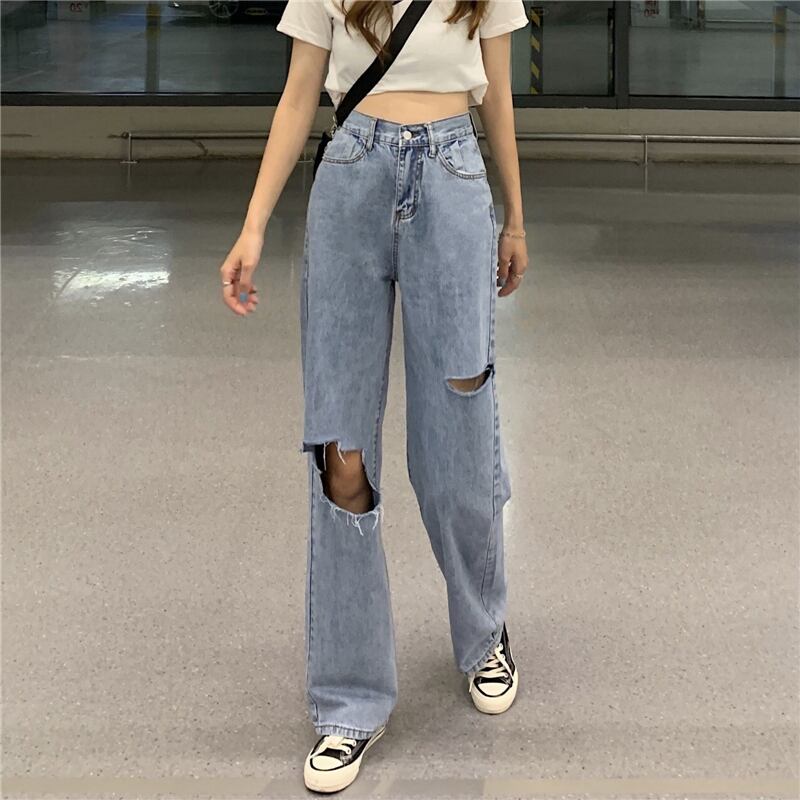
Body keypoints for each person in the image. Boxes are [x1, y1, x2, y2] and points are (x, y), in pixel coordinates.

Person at [219, 0, 530, 792]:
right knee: (341, 450)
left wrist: (516, 221)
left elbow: (497, 93)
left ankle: (484, 630)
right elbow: (300, 92)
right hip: (351, 180)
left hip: (454, 179)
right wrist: (254, 225)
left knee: (459, 435)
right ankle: (350, 700)